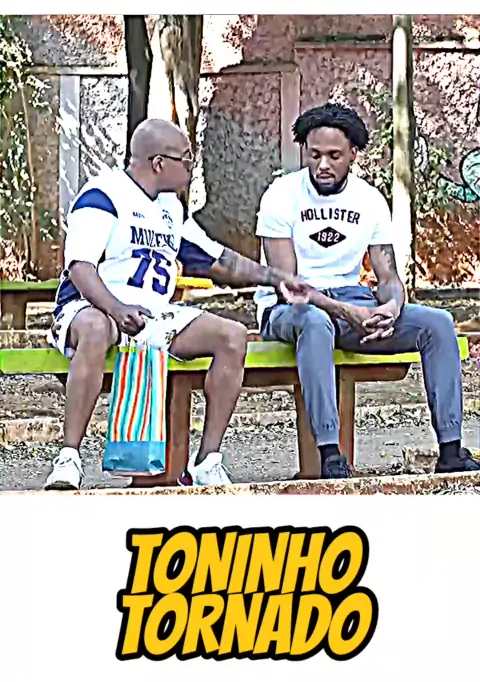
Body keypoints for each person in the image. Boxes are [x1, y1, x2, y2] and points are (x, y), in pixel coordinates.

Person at [45, 119, 305, 491]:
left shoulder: (170, 208)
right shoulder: (102, 194)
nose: (191, 166)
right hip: (90, 307)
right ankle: (69, 457)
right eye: (185, 159)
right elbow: (80, 269)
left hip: (151, 314)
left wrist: (276, 277)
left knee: (232, 336)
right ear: (158, 163)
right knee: (97, 328)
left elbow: (218, 261)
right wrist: (116, 309)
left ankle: (207, 462)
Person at [255, 103, 480, 480]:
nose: (322, 165)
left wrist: (392, 306)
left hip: (351, 302)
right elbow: (288, 286)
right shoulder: (281, 195)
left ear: (353, 154)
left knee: (438, 323)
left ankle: (451, 451)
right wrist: (346, 312)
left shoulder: (369, 199)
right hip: (290, 311)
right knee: (314, 323)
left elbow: (388, 274)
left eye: (334, 156)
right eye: (314, 154)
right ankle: (330, 455)